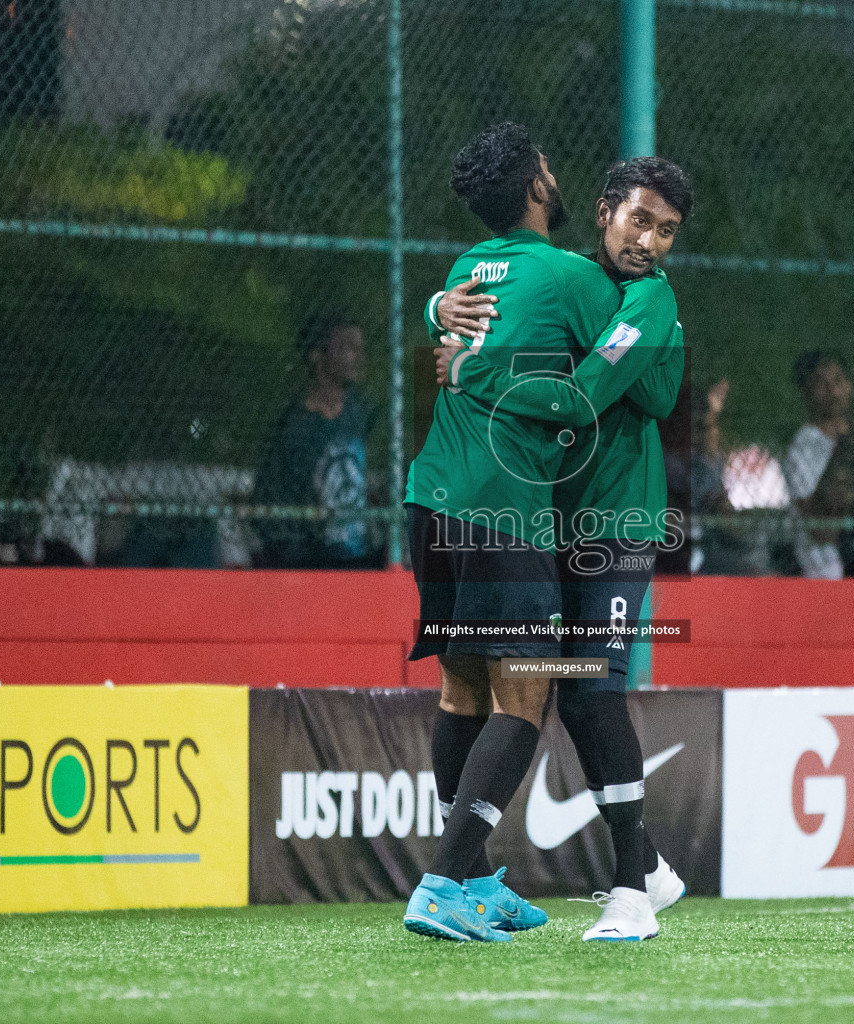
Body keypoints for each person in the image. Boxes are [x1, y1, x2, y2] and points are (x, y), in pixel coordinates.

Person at [431, 156, 692, 942]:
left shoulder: (649, 302)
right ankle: (644, 864)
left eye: (668, 231)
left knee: (589, 690)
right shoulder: (572, 280)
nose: (650, 241)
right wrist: (437, 304)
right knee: (548, 689)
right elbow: (479, 301)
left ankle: (630, 895)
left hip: (618, 525)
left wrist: (479, 369)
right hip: (547, 522)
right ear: (607, 209)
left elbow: (581, 395)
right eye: (640, 220)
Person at [399, 123, 629, 944]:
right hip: (502, 509)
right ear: (536, 186)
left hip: (432, 499)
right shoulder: (569, 275)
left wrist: (431, 307)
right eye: (550, 166)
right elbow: (638, 321)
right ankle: (438, 885)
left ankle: (473, 880)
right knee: (524, 697)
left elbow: (451, 322)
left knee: (462, 691)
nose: (557, 174)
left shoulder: (467, 268)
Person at [252, 312, 380, 569]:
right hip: (312, 561)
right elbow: (270, 496)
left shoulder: (360, 412)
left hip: (359, 556)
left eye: (359, 349)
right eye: (346, 348)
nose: (357, 357)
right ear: (317, 356)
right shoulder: (295, 424)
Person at [783, 351, 853, 579]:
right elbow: (818, 527)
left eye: (838, 381)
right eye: (821, 385)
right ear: (806, 393)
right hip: (823, 569)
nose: (832, 392)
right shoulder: (804, 446)